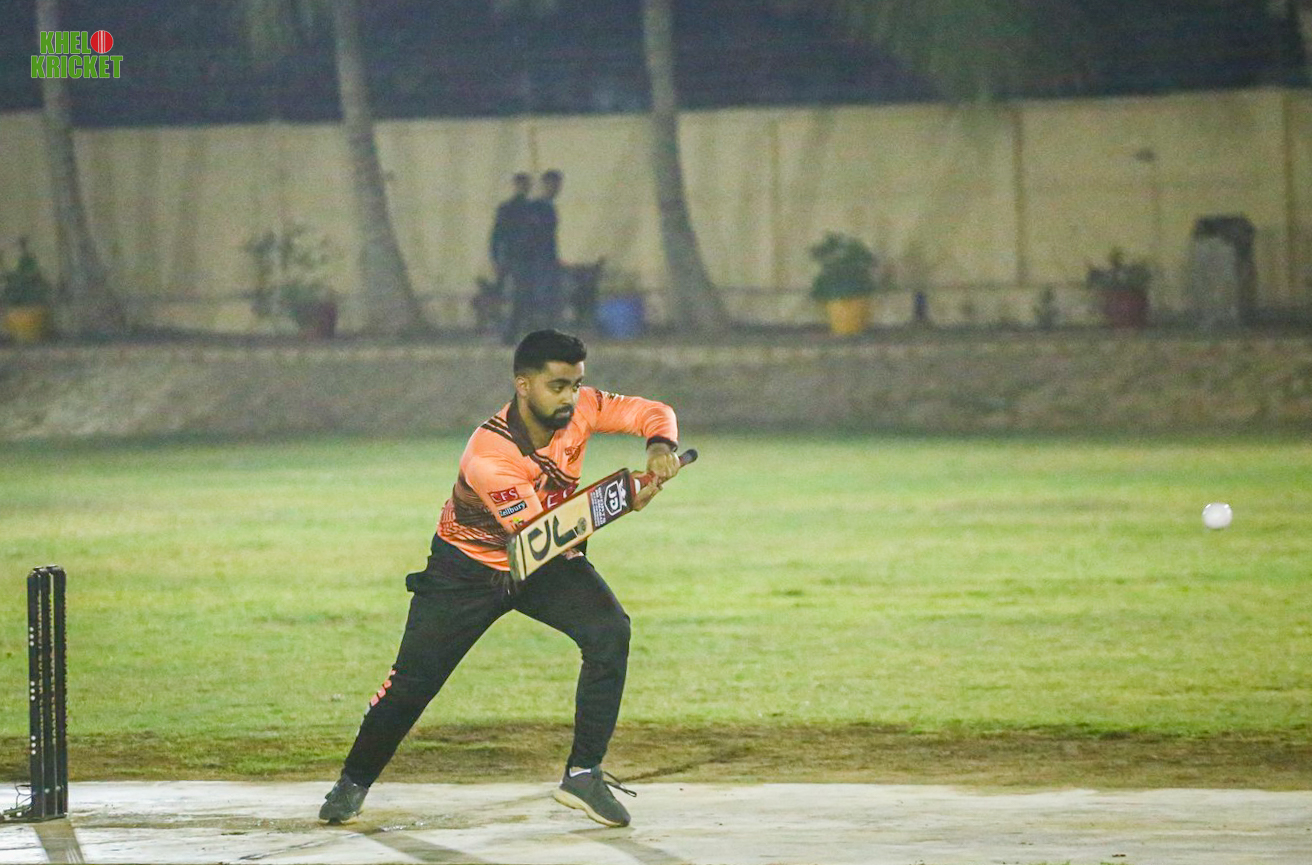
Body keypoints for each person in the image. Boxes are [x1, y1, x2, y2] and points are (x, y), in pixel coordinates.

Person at [319, 329, 684, 829]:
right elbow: (539, 535)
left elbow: (653, 411)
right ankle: (352, 783)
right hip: (467, 570)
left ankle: (582, 774)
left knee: (609, 631)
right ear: (523, 385)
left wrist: (660, 446)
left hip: (542, 561)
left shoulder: (583, 407)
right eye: (557, 387)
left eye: (576, 385)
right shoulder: (490, 456)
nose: (571, 398)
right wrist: (622, 498)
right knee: (413, 684)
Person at [504, 169, 565, 341]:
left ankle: (533, 334)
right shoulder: (535, 207)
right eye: (553, 185)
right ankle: (515, 333)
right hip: (532, 260)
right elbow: (529, 235)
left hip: (543, 259)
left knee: (537, 298)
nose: (556, 189)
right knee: (530, 297)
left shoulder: (546, 207)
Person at [487, 173, 533, 336]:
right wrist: (496, 257)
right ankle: (508, 329)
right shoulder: (519, 209)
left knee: (514, 296)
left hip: (517, 258)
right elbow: (497, 235)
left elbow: (496, 235)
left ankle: (510, 330)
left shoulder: (521, 208)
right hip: (513, 258)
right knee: (514, 296)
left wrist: (495, 257)